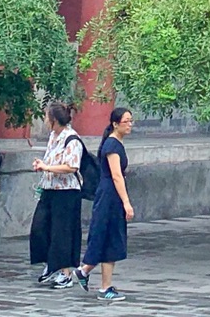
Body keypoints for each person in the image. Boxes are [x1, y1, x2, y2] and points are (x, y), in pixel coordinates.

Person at [30, 99, 85, 287]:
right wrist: (42, 166)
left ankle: (66, 273)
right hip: (49, 188)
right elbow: (50, 160)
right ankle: (50, 264)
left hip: (66, 192)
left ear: (53, 119)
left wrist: (48, 167)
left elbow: (72, 166)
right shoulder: (54, 136)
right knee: (40, 227)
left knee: (63, 232)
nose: (45, 120)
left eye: (47, 117)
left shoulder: (72, 138)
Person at [82, 106, 134, 300]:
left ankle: (97, 280)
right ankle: (87, 272)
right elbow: (116, 176)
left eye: (131, 121)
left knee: (110, 238)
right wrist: (126, 202)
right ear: (115, 124)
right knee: (105, 235)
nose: (129, 125)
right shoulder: (112, 145)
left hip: (111, 195)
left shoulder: (115, 143)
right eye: (126, 121)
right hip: (110, 196)